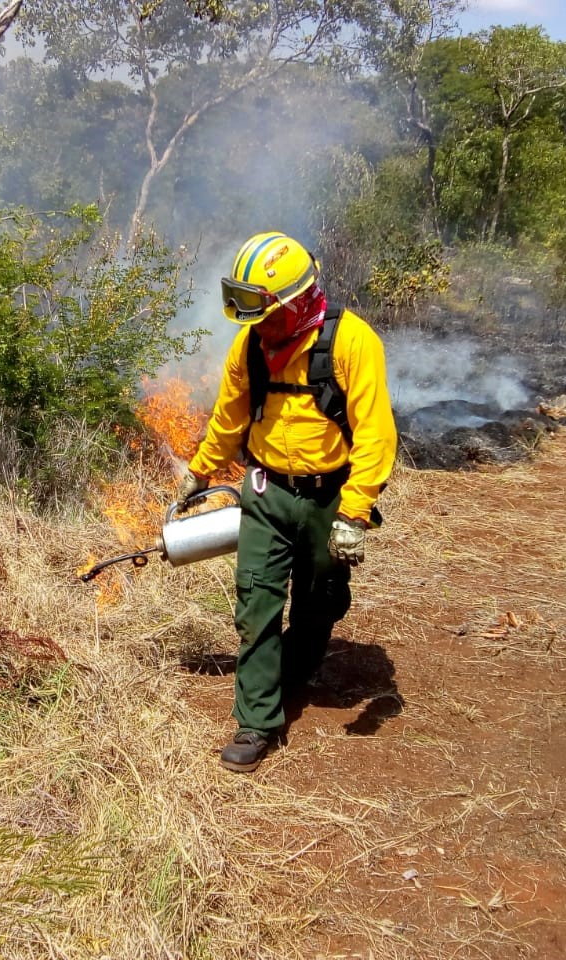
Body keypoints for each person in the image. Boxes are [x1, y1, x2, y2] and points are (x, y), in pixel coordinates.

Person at [175, 231, 398, 773]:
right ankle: (256, 722)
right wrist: (200, 471)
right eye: (244, 306)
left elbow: (375, 435)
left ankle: (297, 666)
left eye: (262, 307)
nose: (254, 321)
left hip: (329, 498)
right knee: (255, 605)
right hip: (266, 494)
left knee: (320, 598)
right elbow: (229, 417)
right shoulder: (251, 345)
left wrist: (355, 512)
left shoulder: (350, 343)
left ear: (297, 301)